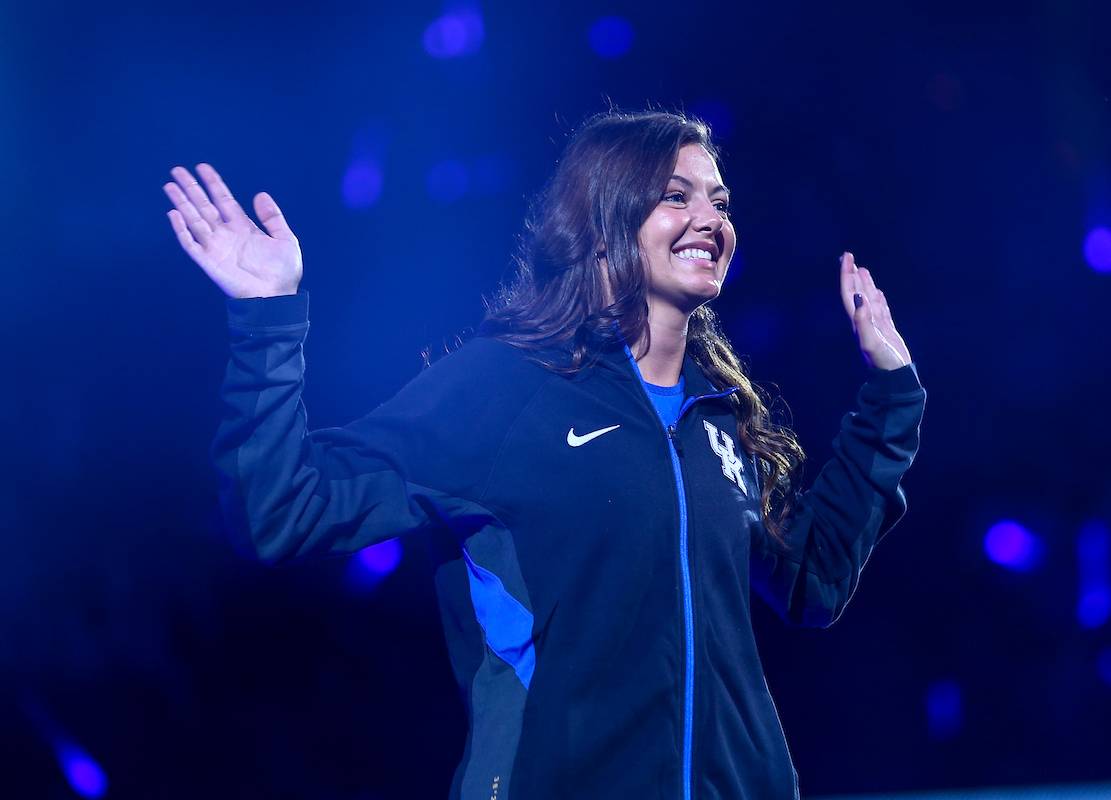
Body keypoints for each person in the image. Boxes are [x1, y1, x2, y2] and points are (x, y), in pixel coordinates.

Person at [164, 110, 924, 800]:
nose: (710, 219)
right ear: (601, 223)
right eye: (676, 196)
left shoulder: (717, 420)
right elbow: (281, 512)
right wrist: (267, 317)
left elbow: (813, 581)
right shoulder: (503, 390)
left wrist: (892, 397)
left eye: (720, 202)